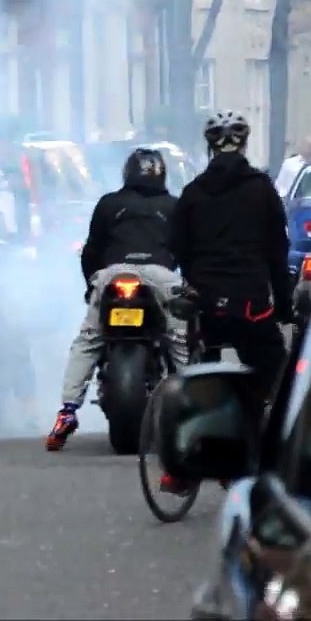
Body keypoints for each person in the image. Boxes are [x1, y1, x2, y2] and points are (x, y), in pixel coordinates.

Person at [46, 148, 187, 452]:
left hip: (113, 274)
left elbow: (91, 252)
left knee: (88, 339)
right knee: (181, 338)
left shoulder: (109, 203)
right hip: (160, 276)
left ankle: (67, 412)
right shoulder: (175, 206)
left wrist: (92, 288)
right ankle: (194, 407)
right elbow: (188, 250)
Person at [171, 110, 290, 403]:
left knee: (196, 367)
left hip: (206, 301)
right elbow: (277, 250)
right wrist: (284, 306)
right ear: (244, 144)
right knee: (279, 378)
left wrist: (194, 279)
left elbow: (178, 245)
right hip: (250, 300)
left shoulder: (193, 192)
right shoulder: (261, 189)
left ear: (210, 147)